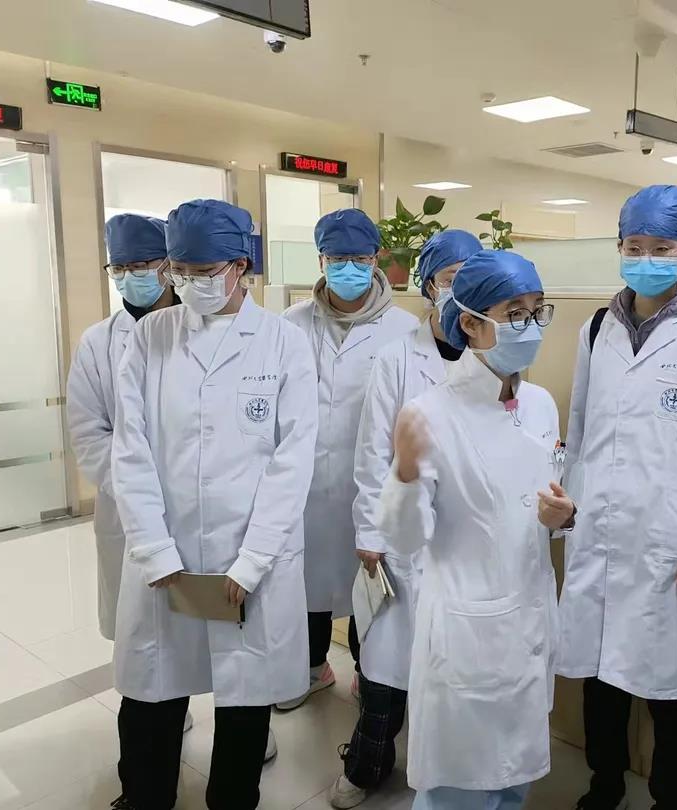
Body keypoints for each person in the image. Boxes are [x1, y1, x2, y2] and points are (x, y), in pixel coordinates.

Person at [109, 199, 318, 810]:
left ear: (241, 267)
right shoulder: (150, 336)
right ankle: (145, 798)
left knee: (244, 699)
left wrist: (252, 561)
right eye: (179, 271)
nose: (188, 283)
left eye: (204, 272)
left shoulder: (283, 342)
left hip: (249, 556)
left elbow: (292, 461)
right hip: (165, 553)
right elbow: (130, 450)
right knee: (152, 693)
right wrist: (154, 551)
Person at [557, 185, 677, 810]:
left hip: (673, 540)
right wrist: (571, 514)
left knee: (673, 686)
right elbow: (579, 428)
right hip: (600, 529)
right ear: (619, 245)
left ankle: (673, 798)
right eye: (635, 245)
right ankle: (604, 783)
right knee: (600, 675)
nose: (646, 258)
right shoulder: (598, 326)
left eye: (662, 247)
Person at [378, 249, 566, 810]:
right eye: (515, 313)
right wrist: (405, 475)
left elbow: (538, 502)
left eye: (538, 310)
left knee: (515, 776)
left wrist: (562, 518)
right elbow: (405, 539)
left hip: (530, 618)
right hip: (468, 629)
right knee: (458, 785)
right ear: (471, 324)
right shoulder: (429, 414)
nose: (531, 326)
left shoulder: (539, 405)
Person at [329, 229, 482, 809]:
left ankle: (444, 773)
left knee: (455, 669)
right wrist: (371, 532)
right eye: (450, 280)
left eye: (472, 280)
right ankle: (367, 764)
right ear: (428, 287)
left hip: (465, 539)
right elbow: (373, 451)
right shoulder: (397, 358)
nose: (461, 292)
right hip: (400, 537)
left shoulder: (496, 354)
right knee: (386, 668)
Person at [279, 208, 417, 709]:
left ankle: (367, 670)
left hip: (372, 483)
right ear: (321, 260)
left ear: (377, 257)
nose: (348, 269)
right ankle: (312, 667)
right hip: (305, 483)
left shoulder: (404, 329)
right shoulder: (291, 324)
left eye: (358, 258)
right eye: (337, 259)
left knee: (369, 584)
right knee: (306, 582)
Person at [68, 214, 175, 644]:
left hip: (199, 499)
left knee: (197, 624)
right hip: (125, 505)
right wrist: (135, 487)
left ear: (168, 265)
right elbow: (88, 433)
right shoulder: (98, 342)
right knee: (137, 630)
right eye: (120, 268)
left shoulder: (200, 330)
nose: (130, 277)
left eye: (141, 266)